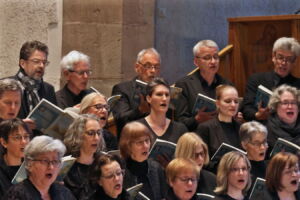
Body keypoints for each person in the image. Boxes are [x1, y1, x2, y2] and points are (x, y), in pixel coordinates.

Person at [175, 40, 231, 131]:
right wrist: (196, 120)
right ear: (196, 62)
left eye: (216, 57)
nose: (213, 62)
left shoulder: (227, 85)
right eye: (207, 58)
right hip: (196, 137)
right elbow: (180, 121)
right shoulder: (184, 85)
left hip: (220, 135)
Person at [241, 37, 300, 122]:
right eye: (280, 57)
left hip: (290, 132)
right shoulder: (256, 80)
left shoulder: (298, 85)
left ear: (294, 62)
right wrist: (257, 115)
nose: (283, 63)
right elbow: (246, 109)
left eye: (289, 59)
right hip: (262, 129)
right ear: (273, 57)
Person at [3, 135, 75, 200]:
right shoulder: (17, 194)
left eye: (55, 161)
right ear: (29, 164)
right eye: (45, 161)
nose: (51, 167)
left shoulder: (63, 192)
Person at [111, 48, 161, 136]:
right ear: (137, 67)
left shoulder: (162, 91)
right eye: (148, 66)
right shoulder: (122, 89)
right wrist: (139, 111)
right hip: (131, 140)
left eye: (156, 67)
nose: (153, 71)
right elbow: (120, 119)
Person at [7, 40, 57, 119]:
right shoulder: (6, 87)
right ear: (22, 63)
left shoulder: (49, 89)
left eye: (44, 62)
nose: (41, 66)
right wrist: (21, 125)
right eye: (36, 61)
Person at [119, 121, 167, 200]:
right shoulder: (120, 172)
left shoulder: (156, 167)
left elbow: (164, 195)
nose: (145, 146)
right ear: (128, 146)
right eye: (139, 142)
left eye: (147, 140)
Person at [63, 114, 106, 197]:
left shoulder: (104, 162)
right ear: (78, 135)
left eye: (98, 133)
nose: (96, 138)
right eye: (91, 133)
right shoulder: (67, 168)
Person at [137, 77, 187, 143]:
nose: (164, 99)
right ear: (149, 98)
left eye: (167, 95)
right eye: (159, 94)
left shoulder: (180, 129)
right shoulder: (137, 128)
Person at [196, 85, 241, 157]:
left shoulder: (241, 128)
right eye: (228, 101)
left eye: (236, 101)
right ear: (218, 103)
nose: (233, 105)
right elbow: (202, 160)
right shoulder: (205, 128)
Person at [0, 118, 31, 198]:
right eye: (17, 137)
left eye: (26, 136)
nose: (24, 142)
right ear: (4, 142)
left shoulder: (32, 167)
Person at [266, 84, 300, 149]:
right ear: (276, 106)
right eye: (285, 103)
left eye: (293, 103)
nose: (290, 106)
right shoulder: (267, 130)